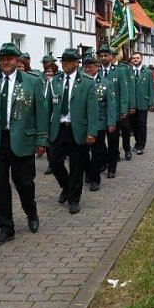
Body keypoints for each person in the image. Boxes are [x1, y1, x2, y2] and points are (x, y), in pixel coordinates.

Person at [0, 43, 49, 245]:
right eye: (2, 58)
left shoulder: (32, 81)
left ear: (17, 60)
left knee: (24, 183)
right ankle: (6, 227)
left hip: (23, 139)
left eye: (10, 58)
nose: (6, 61)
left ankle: (31, 212)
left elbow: (42, 112)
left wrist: (41, 139)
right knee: (1, 185)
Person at [47, 48, 98, 214]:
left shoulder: (87, 82)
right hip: (59, 128)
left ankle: (74, 199)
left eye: (68, 61)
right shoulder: (55, 81)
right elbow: (47, 106)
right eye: (63, 61)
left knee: (77, 166)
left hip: (78, 129)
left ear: (76, 63)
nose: (64, 64)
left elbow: (92, 109)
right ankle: (66, 187)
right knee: (54, 162)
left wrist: (92, 132)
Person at [83, 53, 116, 192]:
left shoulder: (106, 84)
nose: (87, 70)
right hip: (83, 123)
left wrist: (111, 122)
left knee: (97, 152)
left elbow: (111, 104)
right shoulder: (81, 82)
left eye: (90, 67)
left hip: (99, 123)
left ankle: (95, 178)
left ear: (97, 67)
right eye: (85, 67)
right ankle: (88, 171)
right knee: (83, 152)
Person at [97, 45, 129, 176]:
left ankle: (112, 168)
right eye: (101, 56)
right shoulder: (96, 71)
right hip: (99, 113)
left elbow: (123, 92)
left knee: (113, 142)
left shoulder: (119, 71)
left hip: (114, 113)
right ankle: (103, 162)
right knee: (99, 143)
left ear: (111, 57)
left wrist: (123, 109)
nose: (103, 58)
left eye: (106, 55)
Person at [128, 51, 154, 155]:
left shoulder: (148, 72)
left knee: (142, 125)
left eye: (137, 58)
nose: (135, 60)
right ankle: (137, 142)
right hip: (131, 104)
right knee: (133, 125)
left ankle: (141, 145)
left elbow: (151, 88)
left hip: (143, 102)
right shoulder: (128, 71)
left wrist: (152, 103)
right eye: (134, 58)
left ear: (141, 59)